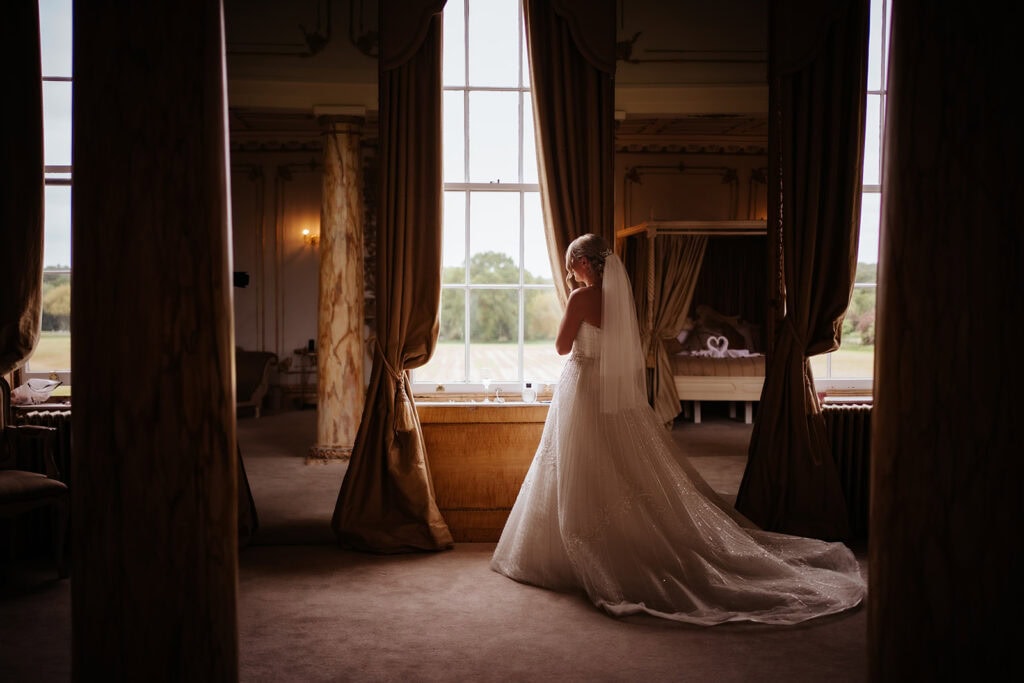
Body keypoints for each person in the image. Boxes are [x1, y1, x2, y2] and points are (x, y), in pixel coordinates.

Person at [490, 233, 866, 625]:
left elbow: (562, 347)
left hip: (584, 388)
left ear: (585, 263)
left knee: (576, 465)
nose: (571, 275)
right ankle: (617, 541)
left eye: (572, 265)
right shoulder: (620, 297)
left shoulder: (581, 299)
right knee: (619, 463)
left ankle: (579, 552)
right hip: (613, 394)